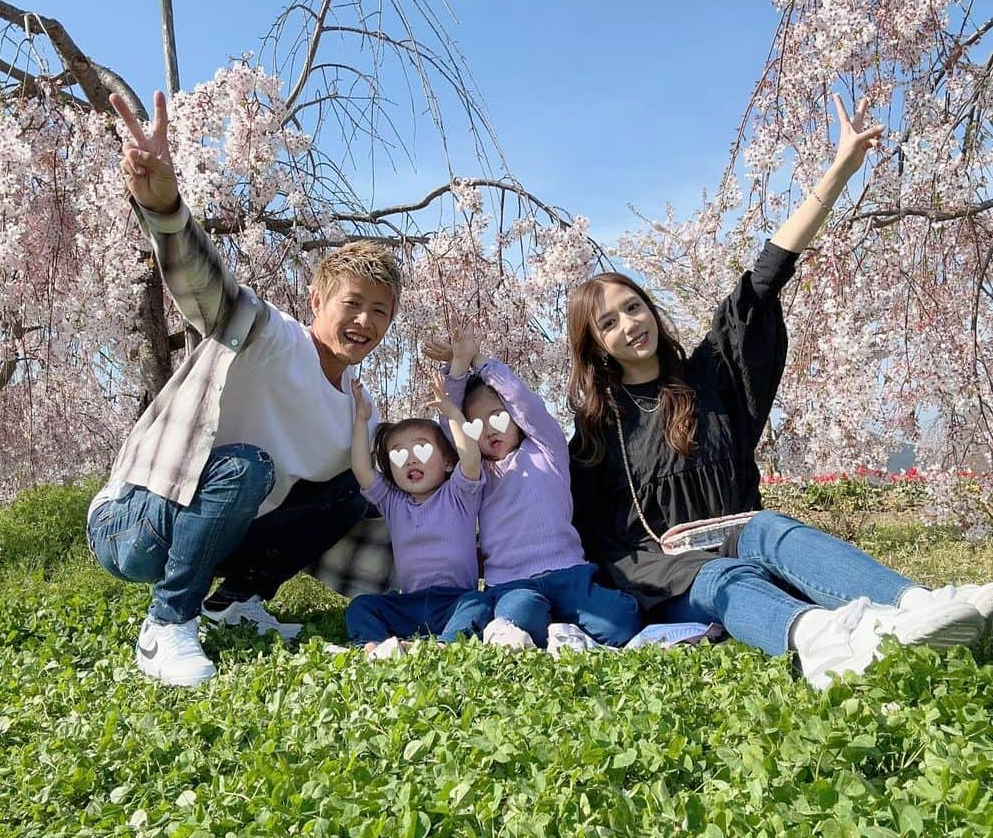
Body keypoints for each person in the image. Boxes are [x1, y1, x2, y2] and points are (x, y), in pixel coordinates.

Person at [566, 95, 992, 688]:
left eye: (632, 307)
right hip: (676, 583)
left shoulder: (710, 379)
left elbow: (765, 276)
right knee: (721, 580)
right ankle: (821, 644)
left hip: (747, 546)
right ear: (596, 346)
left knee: (766, 527)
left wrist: (840, 170)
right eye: (607, 323)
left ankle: (917, 606)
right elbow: (598, 542)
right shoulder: (595, 436)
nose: (628, 325)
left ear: (651, 311)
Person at [86, 91, 401, 686]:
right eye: (352, 304)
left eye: (380, 312)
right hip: (134, 522)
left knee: (351, 491)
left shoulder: (361, 405)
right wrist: (166, 210)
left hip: (222, 529)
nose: (364, 322)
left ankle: (232, 602)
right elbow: (210, 290)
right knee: (245, 467)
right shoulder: (271, 335)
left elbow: (392, 512)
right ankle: (166, 625)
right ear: (316, 301)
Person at [425, 327, 644, 650]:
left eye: (498, 417)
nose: (488, 430)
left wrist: (479, 360)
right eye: (477, 425)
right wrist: (458, 368)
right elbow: (451, 421)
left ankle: (559, 626)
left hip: (568, 573)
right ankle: (551, 627)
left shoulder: (545, 449)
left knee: (622, 622)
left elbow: (523, 400)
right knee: (520, 616)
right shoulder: (476, 471)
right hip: (512, 583)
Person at [344, 375, 492, 655]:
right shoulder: (393, 501)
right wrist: (362, 420)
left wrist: (451, 412)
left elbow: (470, 458)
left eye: (422, 450)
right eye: (399, 455)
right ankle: (372, 648)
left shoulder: (459, 494)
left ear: (448, 462)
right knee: (361, 606)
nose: (411, 459)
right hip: (409, 604)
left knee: (479, 603)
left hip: (455, 600)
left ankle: (445, 645)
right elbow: (363, 471)